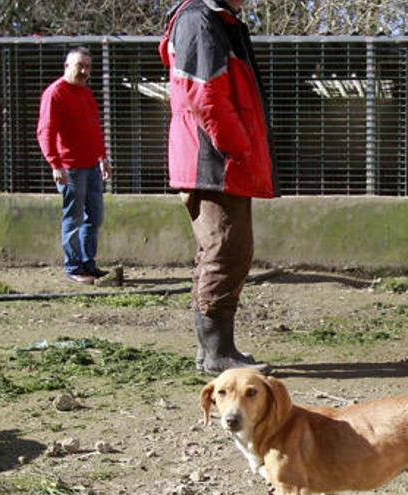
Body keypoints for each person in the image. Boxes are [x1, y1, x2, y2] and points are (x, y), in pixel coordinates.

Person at [159, 0, 278, 374]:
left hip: (214, 157)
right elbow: (203, 92)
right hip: (212, 159)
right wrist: (237, 146)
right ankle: (217, 353)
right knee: (227, 249)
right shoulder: (199, 19)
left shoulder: (215, 21)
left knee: (223, 249)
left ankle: (212, 349)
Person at [37, 46, 112, 285]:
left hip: (91, 166)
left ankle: (88, 263)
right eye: (80, 65)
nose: (84, 71)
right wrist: (55, 164)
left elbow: (94, 129)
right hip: (70, 167)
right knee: (73, 218)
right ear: (67, 66)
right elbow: (46, 131)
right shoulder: (55, 93)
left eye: (88, 66)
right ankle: (73, 267)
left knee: (95, 217)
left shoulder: (86, 94)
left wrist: (102, 157)